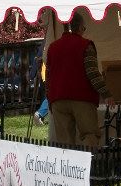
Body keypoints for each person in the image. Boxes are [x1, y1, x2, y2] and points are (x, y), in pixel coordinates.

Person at [44, 16, 112, 147]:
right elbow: (92, 73)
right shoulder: (86, 45)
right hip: (82, 99)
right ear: (80, 27)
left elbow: (48, 77)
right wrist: (106, 93)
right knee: (89, 136)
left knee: (64, 141)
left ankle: (68, 166)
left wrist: (50, 99)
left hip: (58, 100)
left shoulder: (52, 47)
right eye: (84, 28)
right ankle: (89, 166)